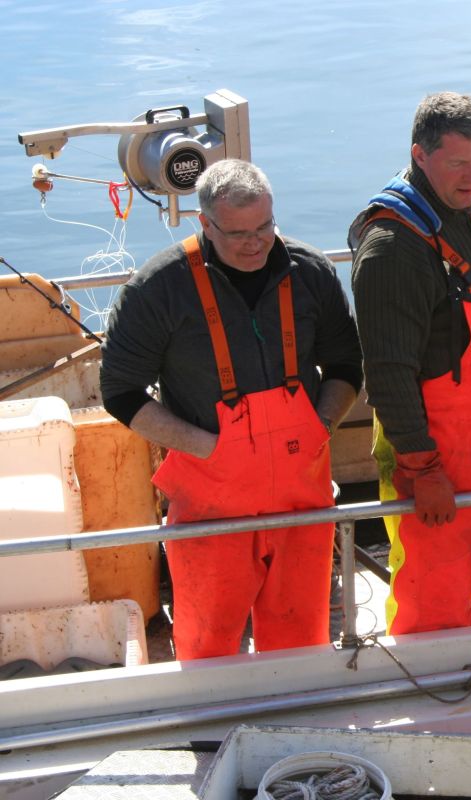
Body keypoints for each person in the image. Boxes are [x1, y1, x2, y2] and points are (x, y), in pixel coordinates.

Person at [100, 159, 363, 660]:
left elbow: (346, 365)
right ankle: (210, 711)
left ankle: (297, 704)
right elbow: (120, 392)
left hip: (300, 492)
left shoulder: (310, 272)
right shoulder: (158, 288)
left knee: (300, 638)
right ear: (205, 223)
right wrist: (209, 447)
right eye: (238, 233)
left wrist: (320, 426)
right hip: (211, 498)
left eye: (264, 227)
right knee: (208, 643)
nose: (255, 243)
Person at [349, 92, 471, 634]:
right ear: (419, 155)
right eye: (458, 163)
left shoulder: (470, 207)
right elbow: (388, 374)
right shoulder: (392, 248)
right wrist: (423, 470)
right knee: (432, 606)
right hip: (435, 473)